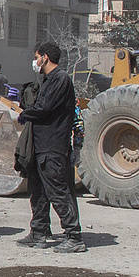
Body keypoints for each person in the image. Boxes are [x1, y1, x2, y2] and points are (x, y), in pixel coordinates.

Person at [15, 39, 85, 254]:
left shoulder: (60, 79)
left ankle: (74, 236)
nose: (35, 62)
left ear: (45, 57)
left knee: (57, 191)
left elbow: (44, 108)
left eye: (36, 57)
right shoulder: (48, 80)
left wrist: (25, 113)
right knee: (38, 191)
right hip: (40, 145)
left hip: (53, 146)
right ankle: (39, 231)